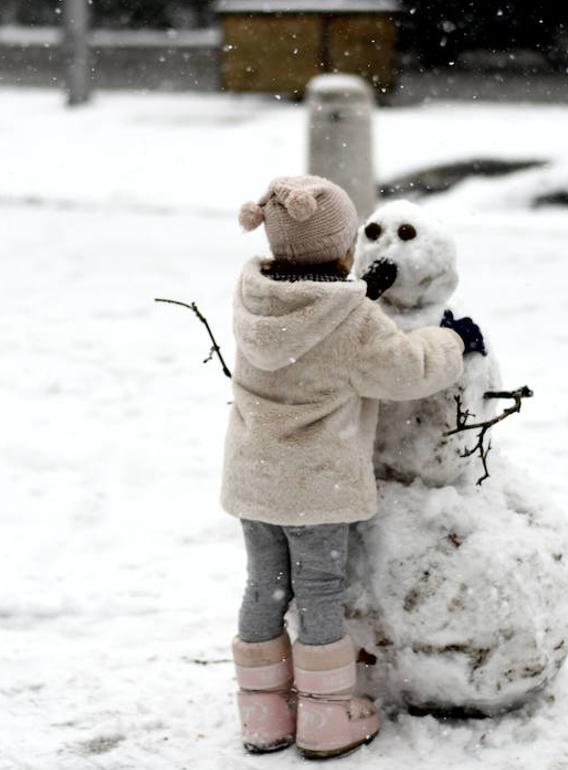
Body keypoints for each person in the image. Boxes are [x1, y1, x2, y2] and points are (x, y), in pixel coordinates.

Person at [222, 175, 485, 759]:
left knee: (264, 585)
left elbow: (312, 327)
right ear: (345, 250)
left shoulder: (255, 297)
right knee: (319, 591)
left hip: (253, 479)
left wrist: (359, 294)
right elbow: (404, 369)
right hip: (316, 489)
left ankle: (262, 712)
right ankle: (324, 715)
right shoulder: (350, 321)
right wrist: (451, 341)